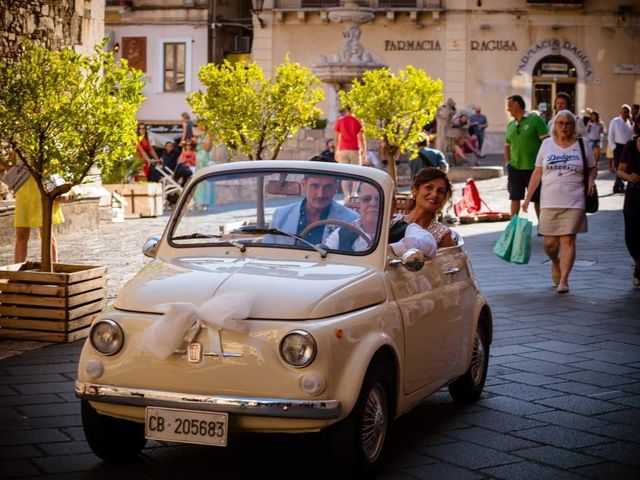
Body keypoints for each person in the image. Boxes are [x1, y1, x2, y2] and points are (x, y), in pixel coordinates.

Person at [522, 110, 597, 294]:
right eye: (560, 123)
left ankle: (564, 280)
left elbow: (592, 166)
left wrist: (590, 180)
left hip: (574, 199)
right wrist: (527, 198)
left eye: (568, 123)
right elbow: (537, 172)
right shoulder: (547, 144)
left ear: (573, 126)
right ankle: (555, 262)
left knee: (568, 240)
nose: (564, 127)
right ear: (554, 125)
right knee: (549, 244)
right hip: (549, 200)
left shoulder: (582, 144)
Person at [325, 181, 437, 258]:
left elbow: (428, 242)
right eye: (366, 199)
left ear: (393, 205)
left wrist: (392, 250)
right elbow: (325, 251)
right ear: (360, 205)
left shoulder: (405, 229)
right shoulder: (343, 232)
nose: (373, 204)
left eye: (379, 199)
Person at [264, 172, 358, 245]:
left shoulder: (350, 220)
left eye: (327, 187)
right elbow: (266, 255)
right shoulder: (281, 215)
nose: (320, 194)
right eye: (315, 186)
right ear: (303, 184)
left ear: (335, 188)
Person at [11, 147, 64, 263]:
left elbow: (56, 161)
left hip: (42, 188)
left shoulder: (44, 133)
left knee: (46, 234)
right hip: (23, 189)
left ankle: (52, 269)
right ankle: (17, 272)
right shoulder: (15, 137)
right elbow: (12, 164)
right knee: (21, 234)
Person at [505, 94, 548, 219]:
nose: (508, 109)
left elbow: (546, 143)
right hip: (514, 168)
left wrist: (543, 163)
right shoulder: (510, 125)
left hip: (534, 168)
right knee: (514, 197)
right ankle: (513, 227)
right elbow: (507, 146)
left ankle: (542, 226)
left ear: (517, 105)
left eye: (509, 106)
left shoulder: (535, 120)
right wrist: (508, 163)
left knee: (537, 199)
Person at [402, 167, 455, 248]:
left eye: (440, 191)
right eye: (429, 187)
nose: (434, 194)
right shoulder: (393, 222)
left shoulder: (443, 236)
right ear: (415, 190)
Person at [618, 114, 640, 286]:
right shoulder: (631, 146)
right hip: (633, 196)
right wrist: (628, 177)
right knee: (631, 237)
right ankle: (638, 263)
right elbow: (620, 170)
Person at [334, 106, 366, 199]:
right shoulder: (357, 120)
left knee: (344, 173)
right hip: (354, 149)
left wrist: (336, 151)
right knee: (357, 172)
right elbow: (361, 138)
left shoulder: (340, 121)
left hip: (343, 149)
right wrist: (364, 151)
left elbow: (336, 139)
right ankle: (354, 193)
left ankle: (346, 195)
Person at [608, 104, 634, 194]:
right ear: (620, 112)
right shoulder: (615, 121)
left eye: (626, 112)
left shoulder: (630, 123)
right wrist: (613, 147)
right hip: (618, 146)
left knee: (623, 167)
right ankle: (620, 185)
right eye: (623, 112)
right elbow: (610, 134)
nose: (625, 114)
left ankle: (617, 186)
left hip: (626, 147)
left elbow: (632, 134)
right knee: (618, 165)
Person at [193, 126, 213, 210]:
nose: (198, 127)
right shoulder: (200, 136)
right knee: (199, 182)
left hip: (204, 159)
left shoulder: (208, 135)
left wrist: (198, 142)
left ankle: (205, 202)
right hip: (199, 159)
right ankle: (198, 202)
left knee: (205, 181)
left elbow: (207, 147)